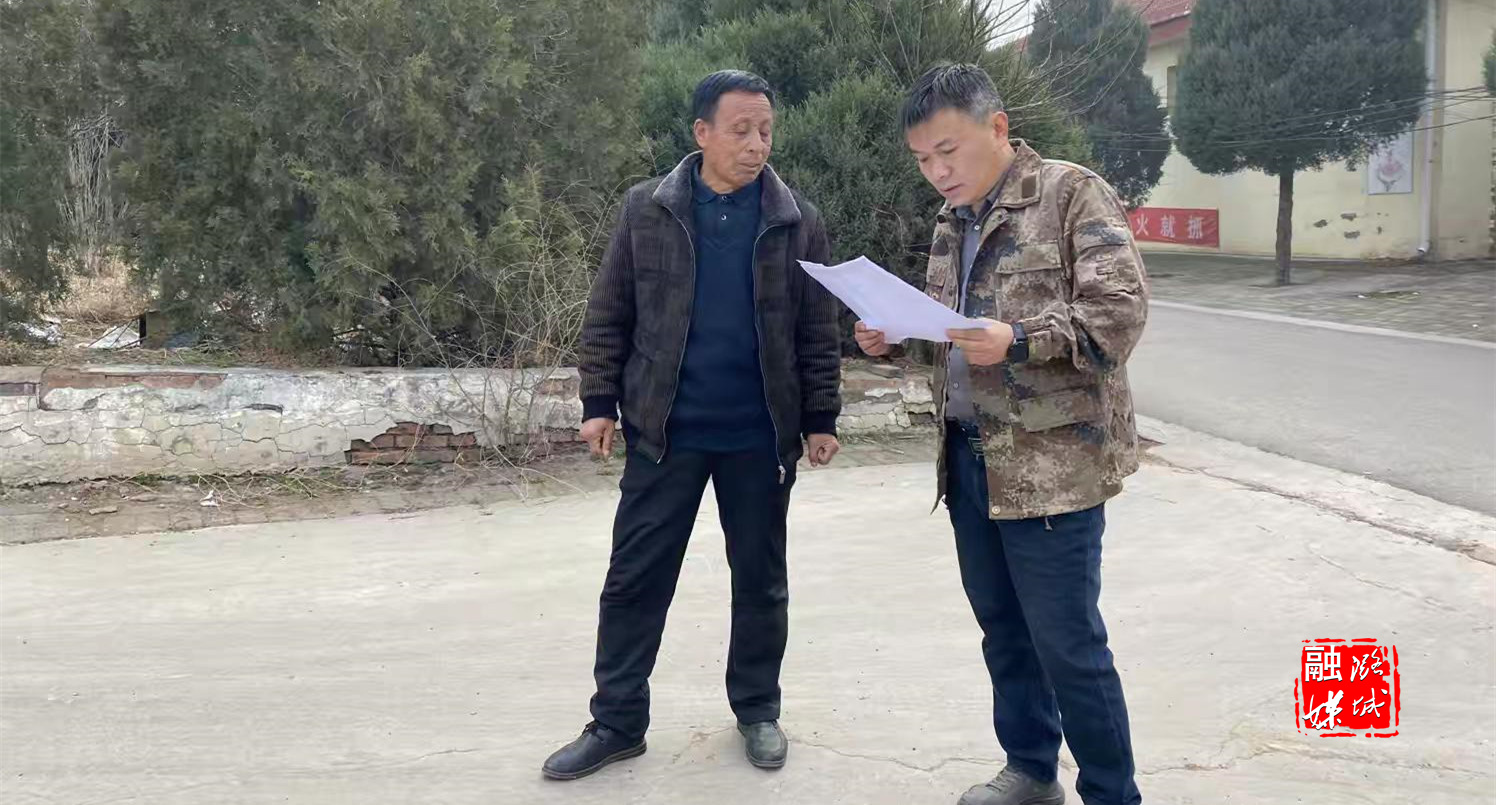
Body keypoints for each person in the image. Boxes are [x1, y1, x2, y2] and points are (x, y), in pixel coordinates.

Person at [856, 63, 1148, 805]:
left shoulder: (1070, 193)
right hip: (968, 456)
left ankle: (1112, 793)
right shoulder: (951, 221)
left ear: (997, 127)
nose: (937, 171)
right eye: (922, 159)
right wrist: (895, 331)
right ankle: (1031, 769)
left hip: (1053, 465)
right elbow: (950, 330)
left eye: (947, 150)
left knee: (1069, 645)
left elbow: (1118, 315)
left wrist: (1017, 338)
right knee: (1003, 630)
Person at [542, 70, 844, 781]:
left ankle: (758, 709)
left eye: (765, 130)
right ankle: (617, 722)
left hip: (759, 436)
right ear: (702, 133)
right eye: (740, 130)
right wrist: (598, 402)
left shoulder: (797, 219)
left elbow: (817, 327)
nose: (756, 144)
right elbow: (610, 311)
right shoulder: (647, 208)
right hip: (664, 432)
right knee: (634, 580)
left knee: (761, 581)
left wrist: (821, 416)